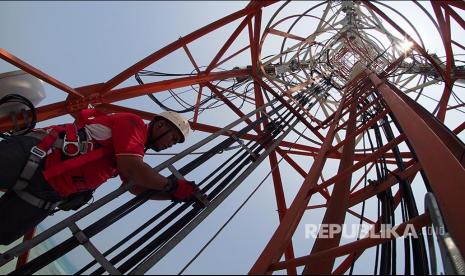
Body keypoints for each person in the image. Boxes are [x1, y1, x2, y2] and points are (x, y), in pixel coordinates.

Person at [0, 109, 197, 245]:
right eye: (173, 138)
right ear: (161, 125)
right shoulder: (133, 124)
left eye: (176, 143)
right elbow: (133, 171)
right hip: (35, 157)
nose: (171, 144)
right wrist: (172, 185)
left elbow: (136, 187)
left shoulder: (130, 153)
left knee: (4, 233)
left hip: (45, 194)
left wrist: (175, 195)